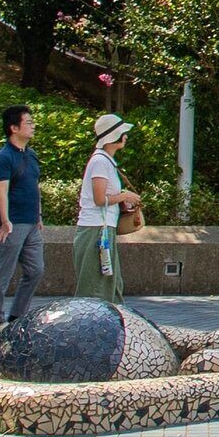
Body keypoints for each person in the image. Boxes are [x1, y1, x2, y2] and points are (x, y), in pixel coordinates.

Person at [0, 103, 45, 328]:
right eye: (28, 123)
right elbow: (1, 191)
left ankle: (17, 316)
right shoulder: (4, 157)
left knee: (36, 269)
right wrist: (5, 221)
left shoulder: (31, 155)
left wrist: (38, 215)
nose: (32, 126)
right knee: (3, 273)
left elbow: (35, 186)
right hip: (11, 223)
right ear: (14, 128)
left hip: (31, 222)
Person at [75, 113, 143, 309]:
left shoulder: (106, 162)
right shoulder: (100, 162)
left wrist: (122, 200)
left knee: (110, 283)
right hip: (95, 229)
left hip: (103, 228)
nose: (126, 137)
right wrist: (123, 197)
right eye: (123, 133)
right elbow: (98, 199)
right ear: (113, 136)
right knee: (95, 286)